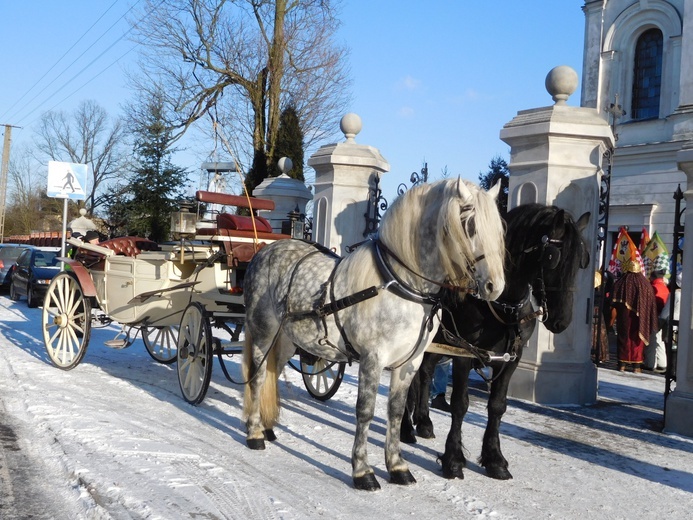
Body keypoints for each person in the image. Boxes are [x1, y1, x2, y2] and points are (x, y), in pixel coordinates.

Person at [611, 260, 659, 373]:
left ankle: (622, 364)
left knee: (625, 337)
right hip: (641, 317)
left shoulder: (622, 282)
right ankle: (636, 366)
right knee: (637, 339)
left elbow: (613, 302)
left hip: (624, 316)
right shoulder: (645, 284)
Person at [644, 269, 670, 372]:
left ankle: (650, 364)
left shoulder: (653, 288)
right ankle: (662, 362)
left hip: (655, 317)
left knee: (652, 341)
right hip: (664, 317)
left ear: (653, 277)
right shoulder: (665, 288)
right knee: (659, 341)